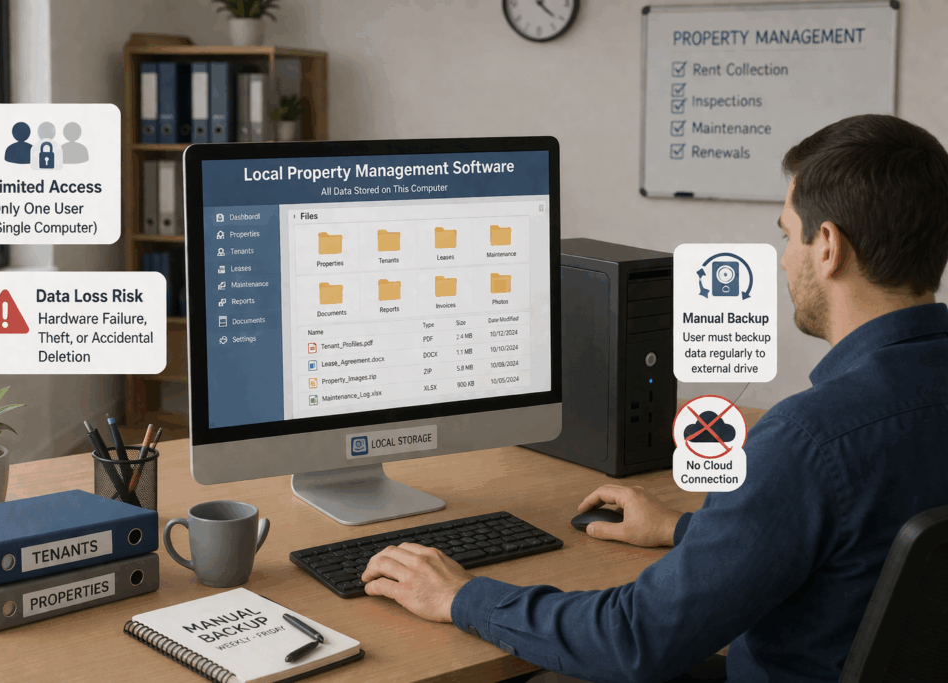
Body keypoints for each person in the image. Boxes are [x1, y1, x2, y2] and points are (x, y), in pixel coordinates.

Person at [360, 114, 948, 683]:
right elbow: (861, 540)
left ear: (828, 247)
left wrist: (461, 596)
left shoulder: (807, 441)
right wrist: (688, 531)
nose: (783, 258)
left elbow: (634, 640)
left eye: (787, 234)